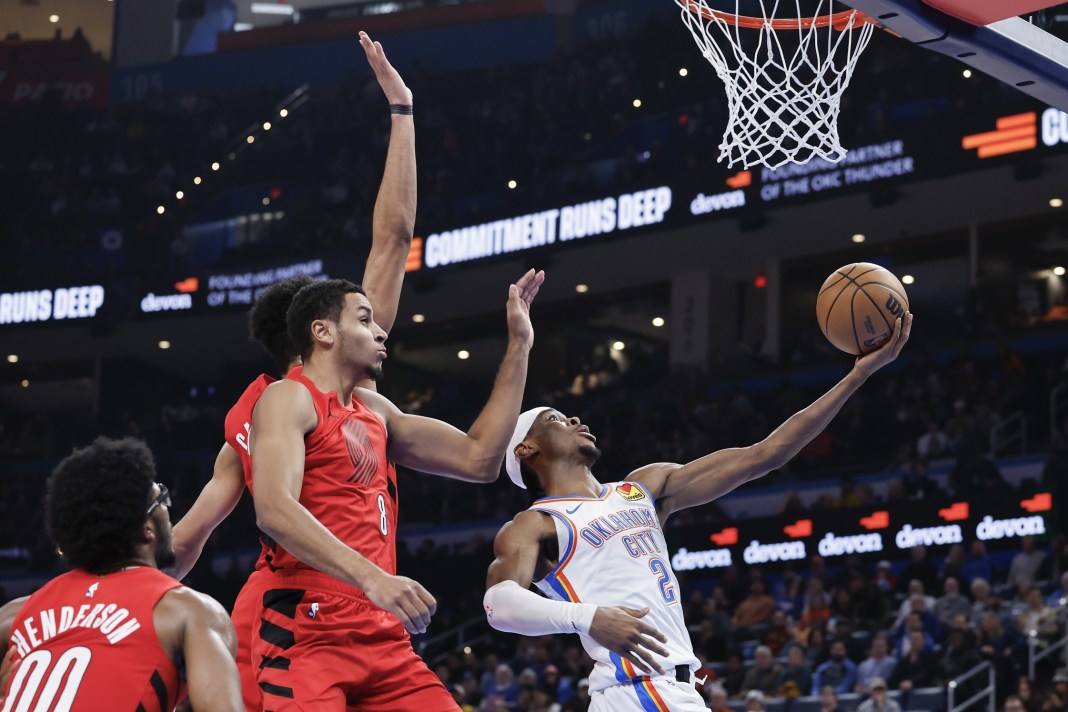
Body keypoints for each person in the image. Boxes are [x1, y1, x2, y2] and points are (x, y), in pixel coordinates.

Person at [168, 30, 419, 712]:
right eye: (351, 312)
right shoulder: (327, 388)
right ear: (320, 329)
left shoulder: (254, 417)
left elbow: (188, 539)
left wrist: (129, 594)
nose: (369, 321)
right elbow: (393, 239)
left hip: (288, 614)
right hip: (302, 618)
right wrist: (402, 113)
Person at [482, 315, 912, 710]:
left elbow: (764, 455)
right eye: (556, 419)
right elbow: (498, 605)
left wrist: (857, 376)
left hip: (671, 690)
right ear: (526, 449)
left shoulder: (642, 488)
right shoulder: (535, 524)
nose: (574, 418)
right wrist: (587, 619)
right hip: (637, 689)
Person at [248, 267, 542, 709]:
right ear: (323, 332)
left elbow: (479, 459)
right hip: (306, 623)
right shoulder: (289, 397)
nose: (381, 332)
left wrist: (520, 345)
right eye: (364, 319)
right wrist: (374, 578)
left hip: (382, 627)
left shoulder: (376, 410)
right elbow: (273, 508)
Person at [0, 438, 242, 710]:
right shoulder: (189, 612)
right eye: (162, 500)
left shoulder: (12, 616)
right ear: (146, 529)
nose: (168, 509)